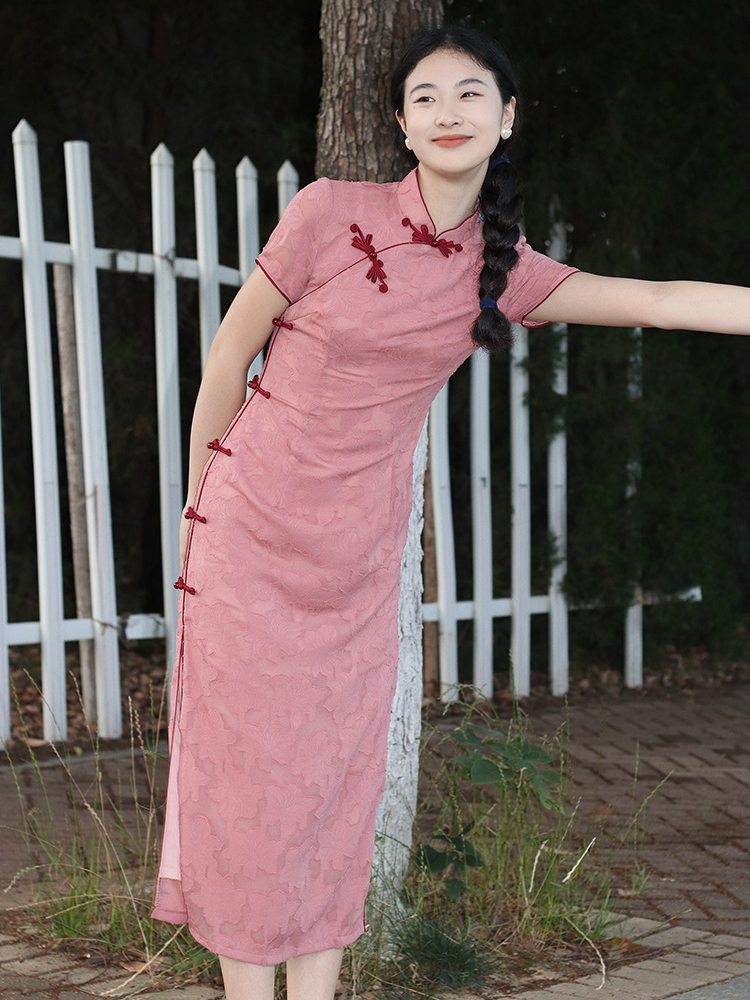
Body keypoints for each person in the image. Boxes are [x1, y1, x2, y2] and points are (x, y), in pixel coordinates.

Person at [150, 23, 750, 1000]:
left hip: (354, 561)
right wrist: (194, 501)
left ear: (507, 116)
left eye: (471, 94)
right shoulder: (327, 213)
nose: (448, 112)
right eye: (425, 97)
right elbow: (229, 357)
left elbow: (659, 298)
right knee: (246, 777)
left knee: (331, 785)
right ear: (399, 121)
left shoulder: (501, 269)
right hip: (248, 533)